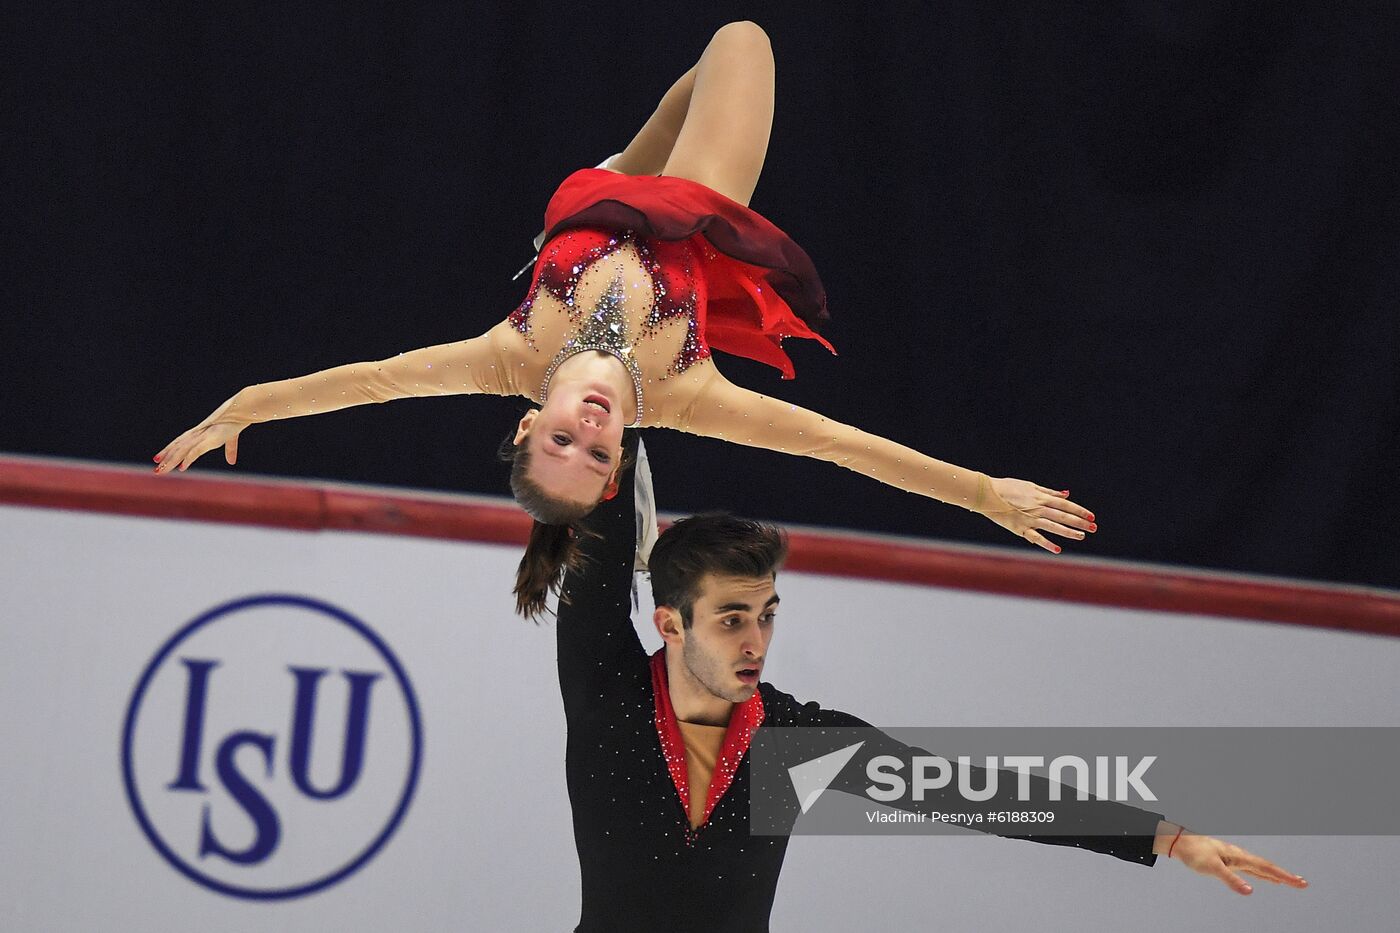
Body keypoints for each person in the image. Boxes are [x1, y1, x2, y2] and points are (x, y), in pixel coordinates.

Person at [154, 21, 1098, 618]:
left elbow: (359, 384)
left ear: (531, 423)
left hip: (591, 197)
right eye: (599, 454)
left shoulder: (504, 358)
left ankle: (635, 160)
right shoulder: (683, 394)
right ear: (615, 471)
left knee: (681, 99)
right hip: (684, 208)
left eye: (564, 436)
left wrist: (242, 406)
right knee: (741, 40)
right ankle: (671, 147)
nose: (595, 429)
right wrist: (982, 494)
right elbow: (840, 446)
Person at [554, 431, 1306, 931]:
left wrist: (1165, 839)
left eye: (767, 614)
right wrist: (601, 400)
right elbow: (599, 485)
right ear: (671, 624)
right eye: (730, 619)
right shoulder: (605, 683)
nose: (757, 642)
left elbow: (977, 793)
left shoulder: (791, 743)